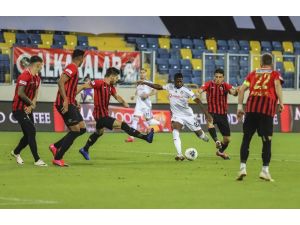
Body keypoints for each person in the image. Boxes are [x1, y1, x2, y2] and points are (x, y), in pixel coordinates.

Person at [77, 67, 154, 160]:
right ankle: (146, 138)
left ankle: (85, 149)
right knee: (124, 125)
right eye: (116, 77)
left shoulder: (111, 87)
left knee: (99, 133)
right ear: (112, 76)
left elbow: (117, 96)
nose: (117, 79)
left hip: (102, 116)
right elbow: (83, 86)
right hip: (101, 116)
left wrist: (124, 103)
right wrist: (71, 98)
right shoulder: (99, 83)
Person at [138, 72, 212, 161]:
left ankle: (208, 139)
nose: (179, 83)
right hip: (177, 116)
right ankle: (179, 154)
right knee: (175, 130)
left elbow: (198, 101)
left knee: (201, 135)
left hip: (188, 116)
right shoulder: (170, 87)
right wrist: (146, 83)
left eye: (181, 81)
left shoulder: (187, 91)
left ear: (183, 81)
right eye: (178, 81)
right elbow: (158, 86)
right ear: (174, 81)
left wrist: (206, 114)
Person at [236, 53, 284, 181]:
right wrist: (281, 102)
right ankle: (264, 170)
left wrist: (240, 107)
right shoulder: (274, 74)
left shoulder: (252, 73)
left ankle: (242, 168)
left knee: (246, 138)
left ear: (261, 63)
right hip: (266, 111)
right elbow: (278, 85)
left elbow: (241, 90)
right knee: (266, 141)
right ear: (272, 63)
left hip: (251, 109)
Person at [49, 49, 87, 167]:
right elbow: (60, 82)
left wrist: (74, 101)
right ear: (80, 58)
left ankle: (55, 146)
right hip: (64, 103)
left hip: (70, 102)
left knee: (82, 129)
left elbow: (70, 89)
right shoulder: (72, 67)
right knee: (75, 130)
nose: (83, 61)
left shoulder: (75, 69)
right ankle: (58, 158)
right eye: (83, 59)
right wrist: (66, 100)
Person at [11, 55, 47, 166]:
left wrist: (31, 106)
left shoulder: (37, 78)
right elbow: (20, 93)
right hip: (19, 109)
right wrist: (31, 103)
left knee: (28, 135)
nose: (42, 67)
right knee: (31, 131)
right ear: (37, 64)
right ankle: (37, 160)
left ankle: (16, 152)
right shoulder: (24, 76)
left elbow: (36, 94)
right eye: (41, 65)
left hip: (28, 109)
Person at [198, 68, 238, 160]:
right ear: (214, 77)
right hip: (211, 112)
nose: (218, 79)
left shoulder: (226, 86)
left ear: (223, 77)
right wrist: (198, 93)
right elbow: (200, 90)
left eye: (220, 77)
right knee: (210, 122)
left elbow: (233, 93)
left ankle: (220, 152)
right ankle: (217, 141)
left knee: (227, 139)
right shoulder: (209, 84)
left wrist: (236, 91)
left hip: (222, 114)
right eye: (216, 77)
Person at [125, 68, 161, 142]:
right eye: (140, 72)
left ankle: (160, 123)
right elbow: (137, 90)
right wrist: (134, 95)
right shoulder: (139, 83)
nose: (142, 74)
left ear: (146, 73)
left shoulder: (148, 83)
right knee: (135, 119)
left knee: (149, 121)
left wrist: (148, 95)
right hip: (139, 104)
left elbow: (155, 91)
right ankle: (131, 137)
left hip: (146, 104)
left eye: (143, 72)